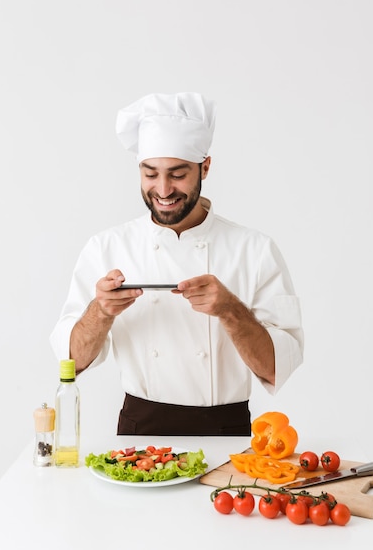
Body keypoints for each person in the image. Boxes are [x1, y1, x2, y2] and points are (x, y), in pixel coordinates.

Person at [50, 92, 303, 436]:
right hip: (140, 432)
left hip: (226, 431)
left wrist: (230, 309)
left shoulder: (254, 249)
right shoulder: (107, 247)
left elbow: (275, 369)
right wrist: (100, 311)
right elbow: (72, 364)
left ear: (205, 167)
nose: (163, 189)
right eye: (150, 173)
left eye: (178, 174)